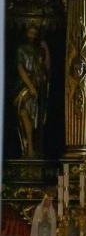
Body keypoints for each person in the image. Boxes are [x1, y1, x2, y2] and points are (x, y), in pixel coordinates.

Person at [15, 23, 50, 158]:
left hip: (37, 86)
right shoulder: (21, 49)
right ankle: (28, 148)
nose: (32, 35)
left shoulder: (37, 50)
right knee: (23, 113)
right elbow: (20, 68)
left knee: (36, 118)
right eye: (30, 32)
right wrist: (30, 86)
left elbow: (46, 68)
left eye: (35, 32)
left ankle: (32, 148)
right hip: (24, 87)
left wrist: (46, 49)